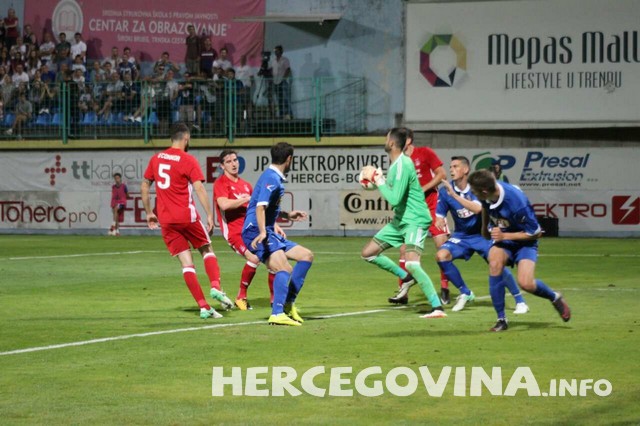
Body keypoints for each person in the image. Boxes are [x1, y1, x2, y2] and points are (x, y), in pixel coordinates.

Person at [141, 123, 234, 319]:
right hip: (186, 217)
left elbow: (145, 185)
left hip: (166, 221)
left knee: (186, 264)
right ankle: (215, 287)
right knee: (207, 249)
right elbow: (199, 188)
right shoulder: (187, 159)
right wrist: (209, 215)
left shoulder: (156, 159)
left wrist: (149, 212)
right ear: (186, 138)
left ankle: (204, 307)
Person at [468, 169, 571, 332]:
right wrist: (485, 229)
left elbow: (536, 233)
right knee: (494, 264)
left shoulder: (517, 203)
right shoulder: (489, 192)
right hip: (504, 240)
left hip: (525, 242)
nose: (472, 194)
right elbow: (486, 207)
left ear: (485, 191)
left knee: (526, 283)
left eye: (474, 191)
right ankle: (501, 319)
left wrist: (504, 235)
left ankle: (554, 297)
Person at [360, 128, 446, 319]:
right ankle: (406, 278)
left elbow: (395, 199)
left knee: (413, 263)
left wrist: (378, 181)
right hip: (401, 220)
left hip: (415, 219)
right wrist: (377, 181)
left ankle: (437, 307)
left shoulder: (403, 164)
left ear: (392, 143)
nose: (385, 141)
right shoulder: (395, 165)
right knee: (368, 253)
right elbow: (394, 193)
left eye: (386, 138)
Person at [434, 156, 529, 313]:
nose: (451, 170)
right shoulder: (446, 191)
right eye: (450, 167)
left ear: (466, 169)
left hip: (483, 235)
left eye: (455, 166)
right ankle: (465, 292)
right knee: (441, 256)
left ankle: (520, 301)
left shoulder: (476, 188)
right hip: (462, 236)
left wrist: (455, 196)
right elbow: (440, 214)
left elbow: (478, 209)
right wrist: (439, 220)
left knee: (496, 263)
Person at [241, 142, 313, 326]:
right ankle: (277, 313)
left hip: (266, 230)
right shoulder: (271, 178)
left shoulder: (274, 177)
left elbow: (267, 207)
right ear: (289, 159)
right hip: (255, 231)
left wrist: (287, 215)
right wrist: (263, 231)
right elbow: (260, 207)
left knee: (306, 256)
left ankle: (288, 303)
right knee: (284, 268)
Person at [387, 127, 450, 305]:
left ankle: (445, 288)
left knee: (442, 247)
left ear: (407, 140)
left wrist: (423, 189)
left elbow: (442, 174)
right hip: (412, 211)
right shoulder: (398, 160)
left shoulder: (425, 153)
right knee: (403, 250)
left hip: (432, 206)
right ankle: (403, 292)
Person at [213, 149, 275, 310]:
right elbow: (223, 205)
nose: (233, 164)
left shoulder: (246, 185)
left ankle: (275, 300)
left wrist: (275, 225)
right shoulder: (221, 183)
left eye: (235, 160)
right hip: (234, 232)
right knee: (254, 258)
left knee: (274, 260)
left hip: (251, 230)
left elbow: (259, 209)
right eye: (229, 161)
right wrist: (245, 199)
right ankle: (241, 297)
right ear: (222, 166)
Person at [269, 45, 291, 119]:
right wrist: (271, 76)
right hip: (275, 82)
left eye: (277, 50)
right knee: (279, 99)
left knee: (285, 99)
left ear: (281, 51)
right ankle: (281, 115)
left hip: (282, 81)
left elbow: (288, 69)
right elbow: (271, 70)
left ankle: (288, 115)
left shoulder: (285, 59)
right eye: (275, 51)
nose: (276, 52)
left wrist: (284, 78)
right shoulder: (273, 61)